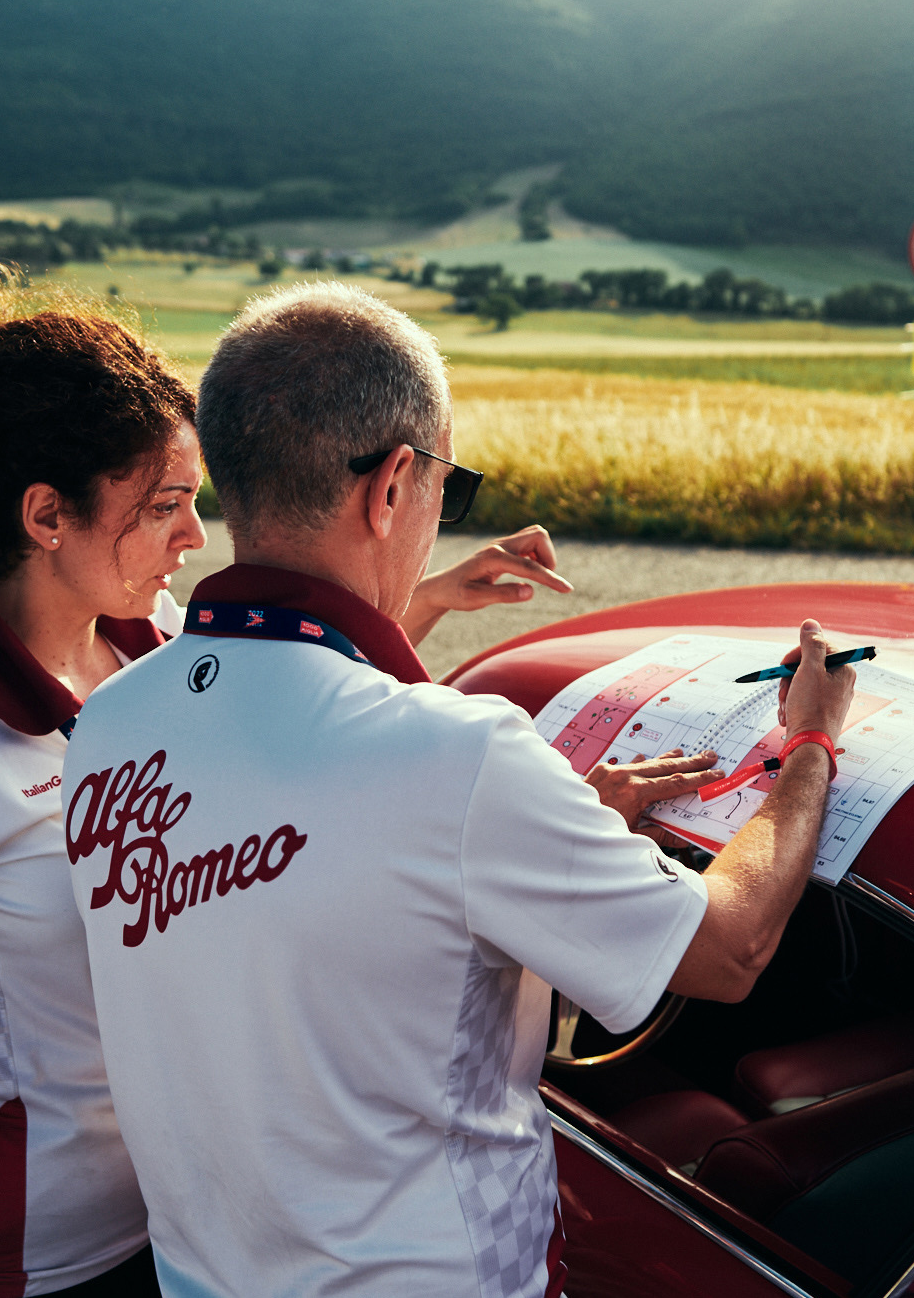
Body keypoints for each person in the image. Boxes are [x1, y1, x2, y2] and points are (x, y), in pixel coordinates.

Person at [0, 267, 568, 1298]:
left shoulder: (161, 652)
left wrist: (424, 587)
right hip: (23, 1252)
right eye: (164, 506)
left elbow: (298, 714)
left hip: (194, 1220)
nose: (192, 536)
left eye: (195, 499)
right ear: (47, 515)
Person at [59, 281, 857, 1298]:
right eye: (446, 483)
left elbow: (307, 897)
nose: (438, 514)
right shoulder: (455, 756)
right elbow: (730, 947)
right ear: (392, 485)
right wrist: (807, 745)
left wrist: (552, 827)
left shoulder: (111, 723)